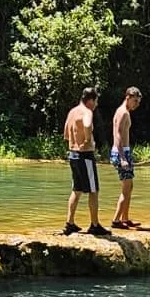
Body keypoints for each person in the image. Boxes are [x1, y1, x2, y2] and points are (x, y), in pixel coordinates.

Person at [62, 86, 109, 236]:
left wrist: (76, 142)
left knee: (76, 190)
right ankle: (94, 225)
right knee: (93, 191)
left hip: (73, 155)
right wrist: (88, 139)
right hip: (85, 156)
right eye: (96, 101)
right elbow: (88, 124)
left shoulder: (72, 112)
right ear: (90, 100)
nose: (96, 105)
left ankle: (69, 223)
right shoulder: (87, 112)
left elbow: (66, 134)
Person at [108, 87, 142, 229]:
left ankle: (125, 218)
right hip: (122, 152)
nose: (136, 104)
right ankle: (116, 220)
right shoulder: (122, 113)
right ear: (127, 97)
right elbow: (118, 135)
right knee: (126, 188)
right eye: (135, 101)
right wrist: (122, 157)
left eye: (138, 102)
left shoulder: (123, 112)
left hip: (123, 151)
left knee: (129, 186)